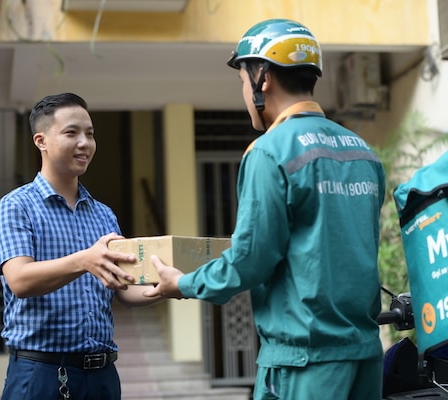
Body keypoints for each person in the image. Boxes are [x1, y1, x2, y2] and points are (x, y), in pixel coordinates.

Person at [144, 19, 386, 400]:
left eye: (242, 80)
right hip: (365, 356)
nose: (243, 92)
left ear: (263, 78)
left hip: (303, 363)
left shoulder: (270, 152)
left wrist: (183, 284)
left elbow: (251, 258)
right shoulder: (362, 151)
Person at [0, 92, 162, 400]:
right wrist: (84, 260)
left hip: (103, 377)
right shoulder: (15, 206)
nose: (85, 143)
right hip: (40, 376)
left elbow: (124, 288)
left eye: (90, 134)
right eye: (72, 133)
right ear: (41, 140)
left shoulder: (103, 213)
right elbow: (20, 280)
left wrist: (168, 287)